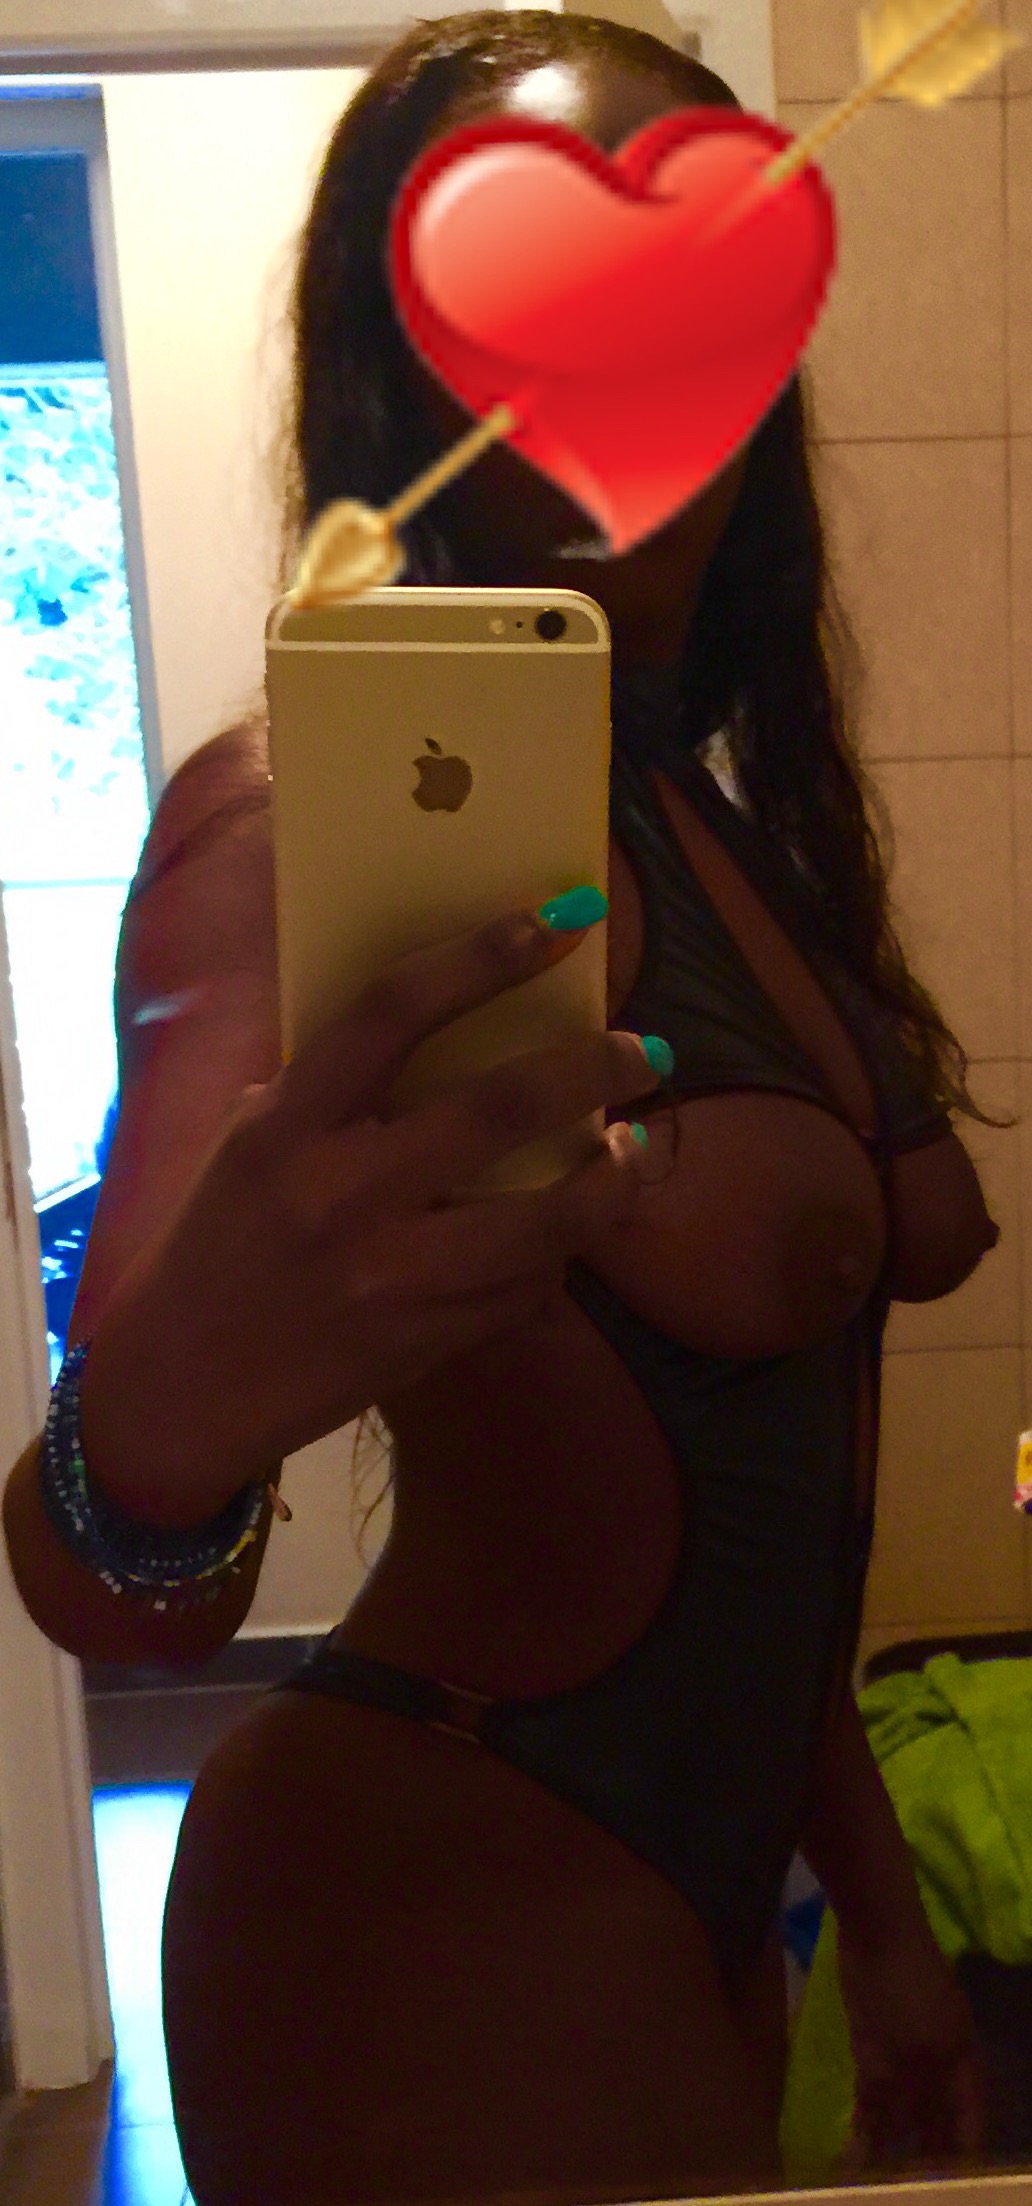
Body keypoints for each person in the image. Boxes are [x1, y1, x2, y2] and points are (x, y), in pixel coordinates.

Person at [2, 11, 1005, 2204]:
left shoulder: (707, 813)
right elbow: (109, 1576)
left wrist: (882, 1918)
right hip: (439, 1886)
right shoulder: (294, 826)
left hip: (704, 1882)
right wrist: (165, 1433)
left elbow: (780, 1478)